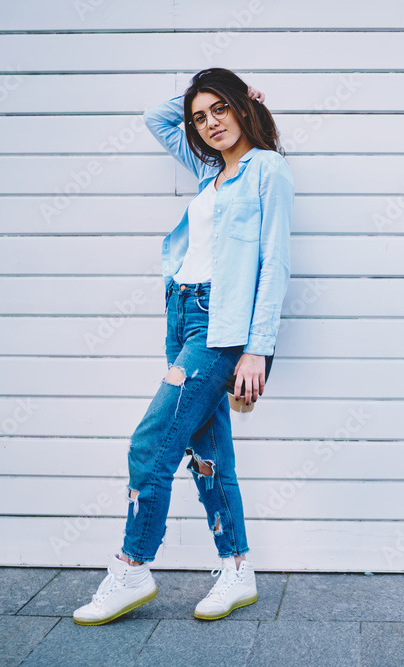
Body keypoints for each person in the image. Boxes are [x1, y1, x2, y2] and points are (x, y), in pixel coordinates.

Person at [73, 67, 294, 625]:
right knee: (206, 454)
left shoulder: (267, 170)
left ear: (244, 107)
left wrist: (256, 350)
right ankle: (237, 569)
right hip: (181, 315)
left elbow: (274, 267)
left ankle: (130, 568)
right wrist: (198, 100)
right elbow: (156, 118)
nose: (210, 123)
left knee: (150, 445)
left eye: (221, 109)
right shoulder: (209, 173)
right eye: (200, 116)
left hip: (219, 327)